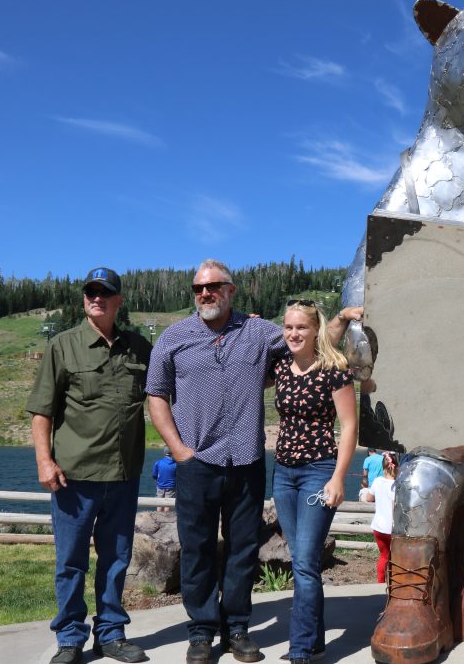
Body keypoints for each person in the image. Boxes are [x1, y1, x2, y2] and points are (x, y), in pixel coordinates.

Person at [145, 259, 358, 664]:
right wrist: (178, 450)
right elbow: (156, 394)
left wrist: (344, 319)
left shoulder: (260, 332)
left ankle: (237, 627)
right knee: (197, 547)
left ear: (231, 290)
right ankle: (203, 630)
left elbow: (310, 342)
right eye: (198, 289)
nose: (204, 294)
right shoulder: (172, 338)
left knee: (243, 548)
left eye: (213, 286)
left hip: (245, 461)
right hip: (197, 461)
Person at [27, 267, 151, 664]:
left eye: (105, 293)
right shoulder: (63, 346)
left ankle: (111, 634)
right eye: (90, 292)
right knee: (71, 561)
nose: (96, 298)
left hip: (124, 474)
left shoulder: (139, 348)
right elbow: (41, 412)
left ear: (118, 301)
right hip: (73, 476)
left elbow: (172, 386)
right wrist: (44, 461)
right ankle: (69, 636)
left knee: (117, 559)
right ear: (84, 299)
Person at [271, 300, 357, 664]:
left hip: (318, 472)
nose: (293, 334)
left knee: (305, 562)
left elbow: (349, 426)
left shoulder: (334, 370)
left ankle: (301, 648)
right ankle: (315, 638)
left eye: (301, 328)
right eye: (288, 327)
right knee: (300, 559)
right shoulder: (280, 368)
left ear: (315, 331)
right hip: (283, 474)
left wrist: (339, 478)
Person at [364, 451, 398, 584]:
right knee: (396, 558)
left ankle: (380, 583)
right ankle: (395, 583)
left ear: (384, 467)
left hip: (378, 527)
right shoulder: (398, 485)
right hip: (393, 529)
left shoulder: (377, 481)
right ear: (397, 467)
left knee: (384, 556)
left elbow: (369, 498)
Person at [152, 446, 177, 512]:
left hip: (160, 486)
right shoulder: (176, 464)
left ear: (164, 453)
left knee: (159, 503)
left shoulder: (158, 462)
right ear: (172, 453)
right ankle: (166, 519)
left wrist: (156, 480)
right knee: (168, 504)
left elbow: (154, 475)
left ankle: (158, 517)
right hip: (171, 487)